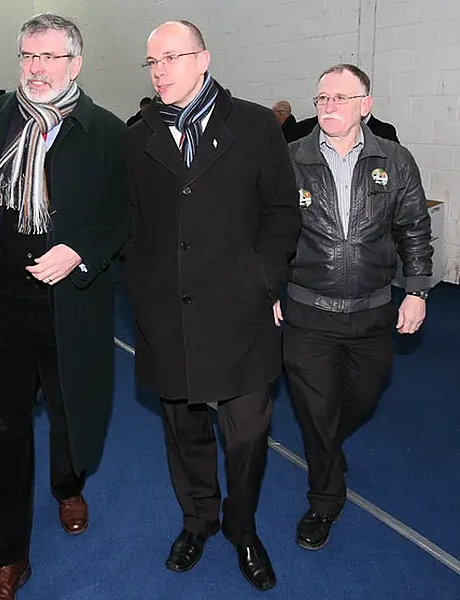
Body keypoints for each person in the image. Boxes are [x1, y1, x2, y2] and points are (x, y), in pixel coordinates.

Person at [0, 14, 129, 600]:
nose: (36, 68)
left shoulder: (107, 131)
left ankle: (69, 484)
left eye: (49, 58)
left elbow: (122, 212)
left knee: (71, 413)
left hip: (71, 304)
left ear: (75, 63)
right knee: (5, 428)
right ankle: (7, 557)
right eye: (27, 56)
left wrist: (78, 251)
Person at [123, 20, 300, 592]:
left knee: (247, 433)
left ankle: (241, 527)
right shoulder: (138, 135)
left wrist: (263, 281)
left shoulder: (252, 125)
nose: (161, 71)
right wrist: (142, 289)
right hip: (168, 313)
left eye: (173, 58)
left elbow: (281, 212)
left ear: (204, 59)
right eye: (152, 62)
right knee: (184, 430)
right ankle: (197, 519)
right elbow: (130, 224)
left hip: (241, 313)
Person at [276, 63, 432, 551]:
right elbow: (265, 233)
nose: (328, 108)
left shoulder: (396, 160)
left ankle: (327, 446)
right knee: (315, 409)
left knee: (360, 399)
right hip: (308, 311)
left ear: (365, 105)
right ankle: (325, 500)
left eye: (341, 98)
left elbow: (413, 227)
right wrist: (265, 290)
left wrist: (418, 290)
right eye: (322, 99)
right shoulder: (287, 159)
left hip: (372, 311)